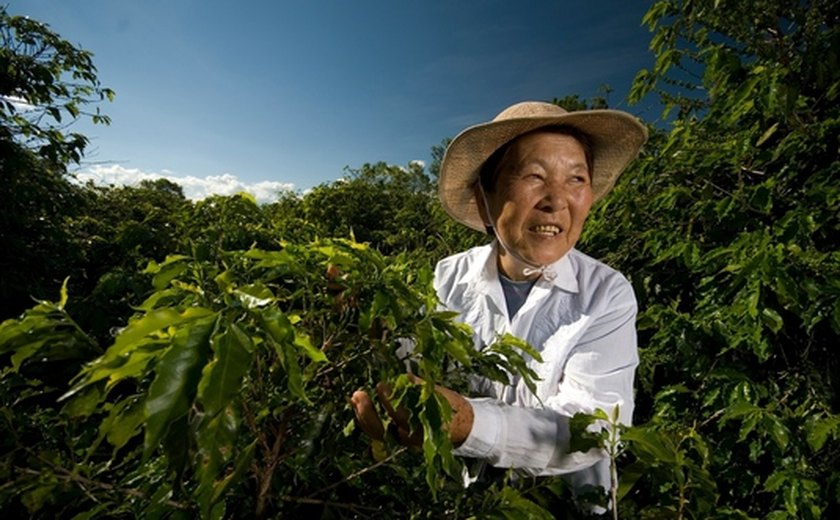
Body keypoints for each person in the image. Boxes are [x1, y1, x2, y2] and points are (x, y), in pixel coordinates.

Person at [351, 101, 647, 507]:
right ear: (485, 196)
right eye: (533, 176)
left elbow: (595, 432)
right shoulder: (447, 277)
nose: (556, 199)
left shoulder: (606, 294)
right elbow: (414, 367)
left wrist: (469, 425)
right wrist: (375, 345)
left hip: (565, 507)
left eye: (576, 178)